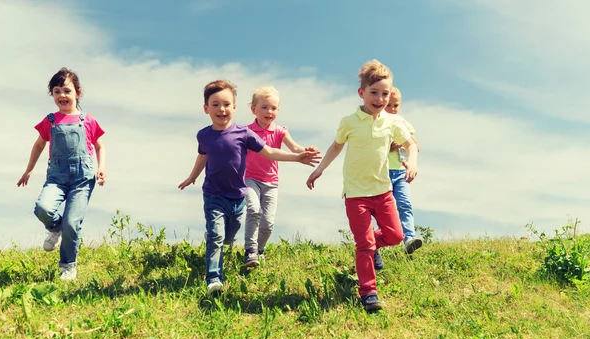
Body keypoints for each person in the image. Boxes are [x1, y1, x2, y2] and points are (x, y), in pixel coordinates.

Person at [178, 80, 320, 296]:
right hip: (213, 194)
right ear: (206, 108)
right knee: (216, 237)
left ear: (234, 107)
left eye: (226, 104)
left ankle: (223, 241)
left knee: (228, 236)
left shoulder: (244, 135)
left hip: (237, 196)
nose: (221, 109)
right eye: (215, 105)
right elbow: (202, 156)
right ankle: (214, 279)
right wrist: (192, 177)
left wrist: (297, 157)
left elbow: (270, 153)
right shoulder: (204, 135)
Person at [306, 60, 418, 312]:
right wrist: (320, 169)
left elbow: (410, 144)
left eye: (385, 94)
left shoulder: (392, 122)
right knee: (364, 245)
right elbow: (336, 146)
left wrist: (411, 162)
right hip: (356, 195)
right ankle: (368, 292)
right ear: (362, 93)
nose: (380, 99)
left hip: (383, 191)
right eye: (374, 93)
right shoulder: (349, 121)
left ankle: (371, 245)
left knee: (395, 236)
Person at [17, 67, 106, 281]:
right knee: (42, 208)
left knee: (72, 223)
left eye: (66, 90)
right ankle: (54, 227)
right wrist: (29, 169)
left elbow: (99, 145)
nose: (62, 96)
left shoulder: (88, 120)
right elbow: (39, 146)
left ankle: (68, 266)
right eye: (56, 91)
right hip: (57, 177)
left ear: (78, 92)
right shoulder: (50, 121)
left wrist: (101, 167)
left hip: (82, 179)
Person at [244, 86, 316, 267]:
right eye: (264, 107)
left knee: (268, 223)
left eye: (274, 108)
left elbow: (295, 148)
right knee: (253, 210)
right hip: (249, 178)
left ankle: (260, 249)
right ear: (253, 109)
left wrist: (305, 151)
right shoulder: (246, 132)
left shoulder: (280, 131)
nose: (269, 112)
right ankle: (250, 251)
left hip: (270, 182)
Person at [385, 87, 423, 255]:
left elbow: (416, 146)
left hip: (400, 172)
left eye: (396, 105)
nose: (392, 109)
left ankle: (409, 238)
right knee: (385, 209)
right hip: (382, 172)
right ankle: (385, 239)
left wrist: (401, 142)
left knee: (404, 204)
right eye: (389, 105)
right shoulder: (377, 123)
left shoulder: (403, 123)